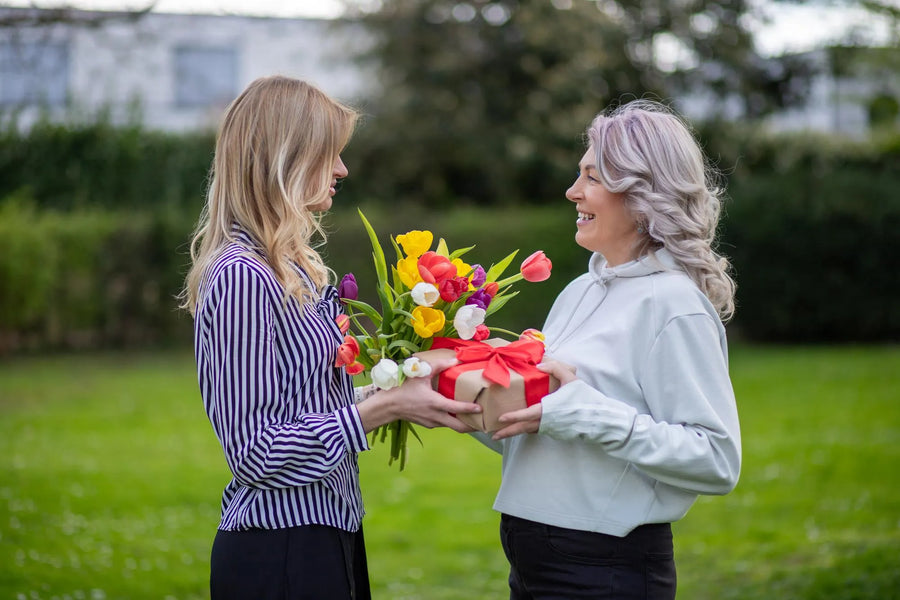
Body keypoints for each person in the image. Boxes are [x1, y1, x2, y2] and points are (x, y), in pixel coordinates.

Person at [180, 75, 481, 600]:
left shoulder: (291, 267)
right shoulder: (243, 276)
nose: (342, 169)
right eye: (330, 155)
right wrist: (379, 411)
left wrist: (398, 391)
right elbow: (255, 452)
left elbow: (306, 406)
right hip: (280, 550)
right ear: (286, 159)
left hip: (330, 529)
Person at [476, 100, 742, 599]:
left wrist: (585, 412)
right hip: (532, 561)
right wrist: (471, 401)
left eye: (592, 177)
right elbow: (551, 433)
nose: (572, 191)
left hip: (605, 572)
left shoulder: (674, 304)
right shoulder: (580, 290)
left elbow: (716, 459)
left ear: (643, 196)